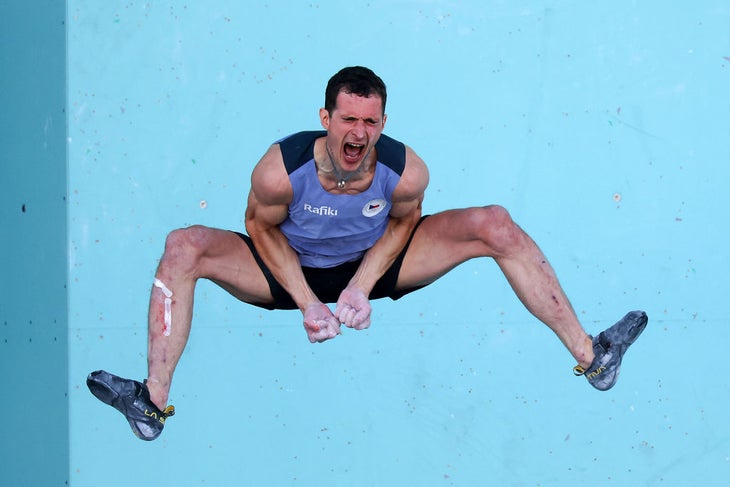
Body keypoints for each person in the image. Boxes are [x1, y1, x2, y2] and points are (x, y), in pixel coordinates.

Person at [87, 66, 648, 441]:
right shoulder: (280, 171)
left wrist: (360, 286)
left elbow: (404, 223)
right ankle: (151, 401)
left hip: (374, 264)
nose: (358, 133)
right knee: (183, 246)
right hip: (286, 268)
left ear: (383, 124)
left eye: (370, 122)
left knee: (494, 225)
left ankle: (593, 355)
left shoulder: (405, 171)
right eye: (348, 119)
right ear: (326, 119)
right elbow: (261, 232)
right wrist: (308, 301)